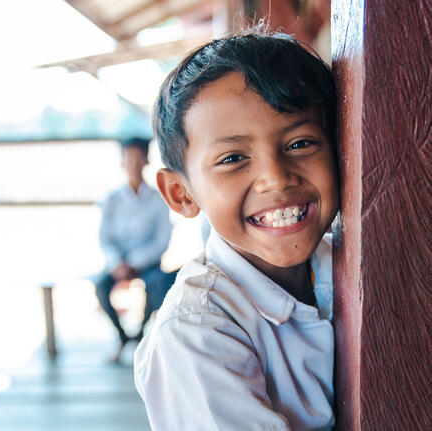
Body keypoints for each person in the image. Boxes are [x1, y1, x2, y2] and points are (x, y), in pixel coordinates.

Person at [134, 28, 339, 430]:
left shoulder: (351, 264)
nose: (275, 179)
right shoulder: (197, 329)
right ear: (181, 194)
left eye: (299, 143)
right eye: (232, 158)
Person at [95, 137, 174, 363]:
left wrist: (135, 263)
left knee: (157, 284)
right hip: (117, 265)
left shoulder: (158, 198)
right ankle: (121, 337)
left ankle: (140, 335)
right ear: (122, 162)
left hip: (147, 264)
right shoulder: (111, 199)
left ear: (147, 160)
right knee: (100, 287)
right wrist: (118, 263)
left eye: (139, 157)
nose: (134, 163)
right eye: (129, 158)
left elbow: (162, 240)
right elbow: (104, 238)